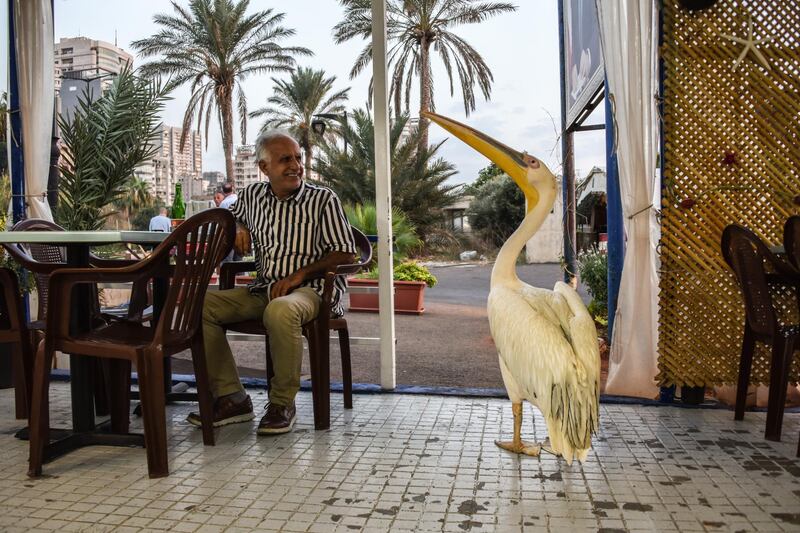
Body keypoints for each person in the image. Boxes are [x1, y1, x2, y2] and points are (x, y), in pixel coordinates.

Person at [187, 130, 356, 435]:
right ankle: (232, 397)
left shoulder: (322, 199)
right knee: (198, 306)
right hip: (265, 288)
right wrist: (238, 224)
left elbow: (344, 252)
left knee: (280, 310)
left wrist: (300, 275)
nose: (295, 166)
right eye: (285, 159)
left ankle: (282, 404)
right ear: (264, 168)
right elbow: (229, 214)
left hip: (311, 291)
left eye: (297, 158)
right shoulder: (252, 196)